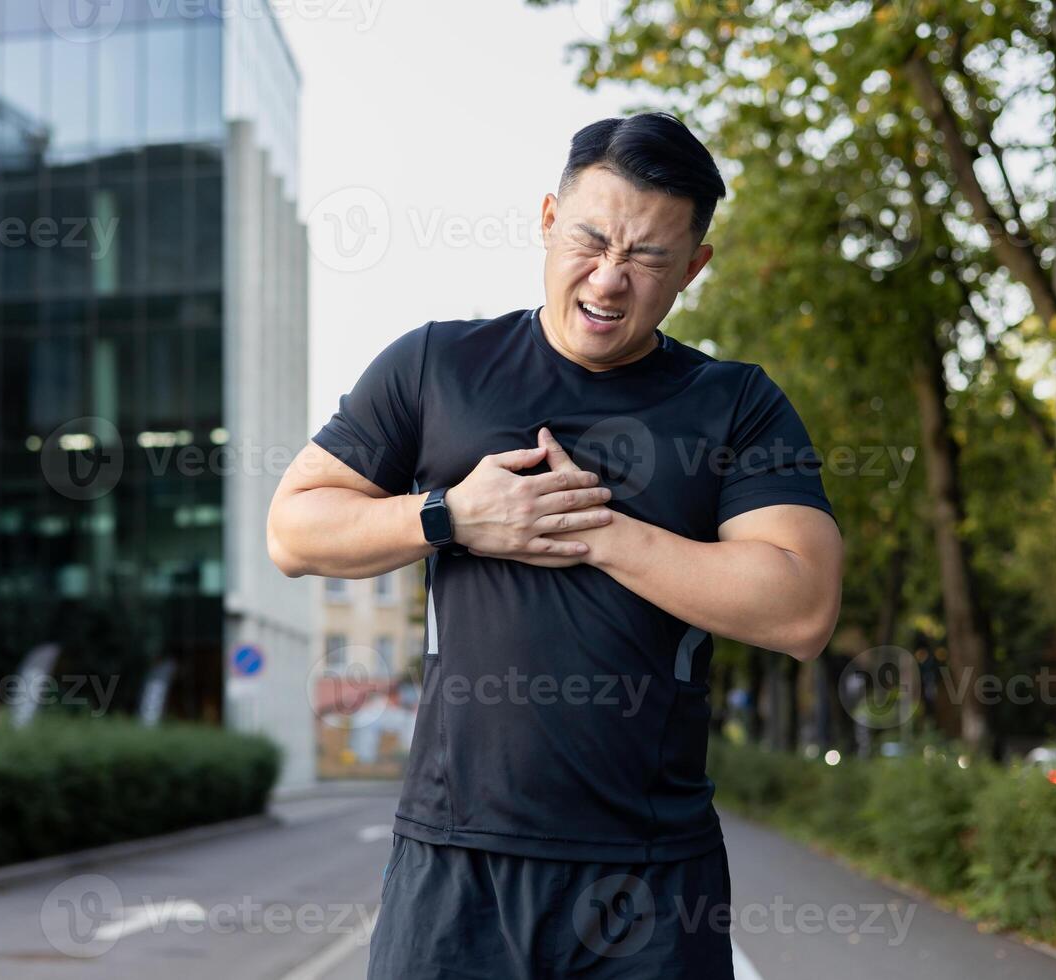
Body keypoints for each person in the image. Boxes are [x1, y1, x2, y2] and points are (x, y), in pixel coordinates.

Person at [267, 112, 844, 979]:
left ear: (694, 267)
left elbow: (800, 608)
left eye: (647, 257)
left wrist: (598, 533)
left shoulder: (736, 404)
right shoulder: (437, 366)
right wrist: (451, 516)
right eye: (591, 239)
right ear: (546, 219)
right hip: (454, 865)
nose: (609, 279)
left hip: (651, 880)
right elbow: (293, 528)